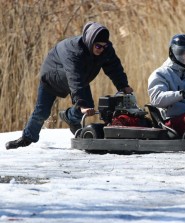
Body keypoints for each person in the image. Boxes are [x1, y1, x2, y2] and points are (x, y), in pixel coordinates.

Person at [6, 21, 133, 150]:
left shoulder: (106, 50)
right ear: (89, 42)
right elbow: (75, 78)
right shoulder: (73, 51)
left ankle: (70, 117)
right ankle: (27, 138)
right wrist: (83, 104)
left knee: (86, 104)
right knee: (42, 112)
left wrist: (123, 86)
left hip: (77, 77)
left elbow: (114, 67)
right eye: (98, 46)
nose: (101, 49)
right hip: (52, 75)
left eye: (104, 46)